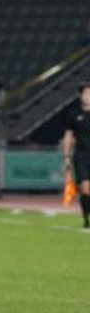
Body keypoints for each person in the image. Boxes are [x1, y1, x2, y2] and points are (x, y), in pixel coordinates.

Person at [62, 84, 90, 228]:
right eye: (85, 93)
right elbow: (68, 135)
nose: (88, 96)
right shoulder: (74, 114)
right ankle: (86, 219)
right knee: (85, 188)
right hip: (81, 155)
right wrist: (66, 156)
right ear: (81, 96)